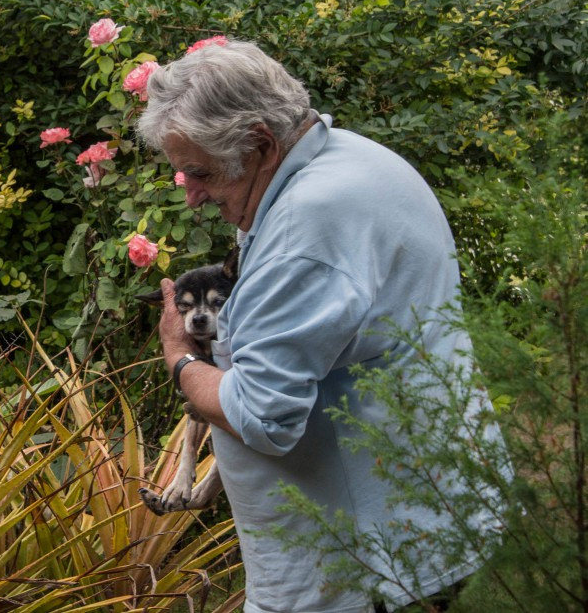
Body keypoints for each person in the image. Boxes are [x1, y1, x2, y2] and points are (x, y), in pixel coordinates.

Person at [137, 40, 501, 612]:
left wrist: (181, 358)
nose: (194, 198)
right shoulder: (353, 159)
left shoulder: (307, 229)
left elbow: (263, 416)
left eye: (200, 173)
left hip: (362, 566)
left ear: (260, 142)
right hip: (418, 511)